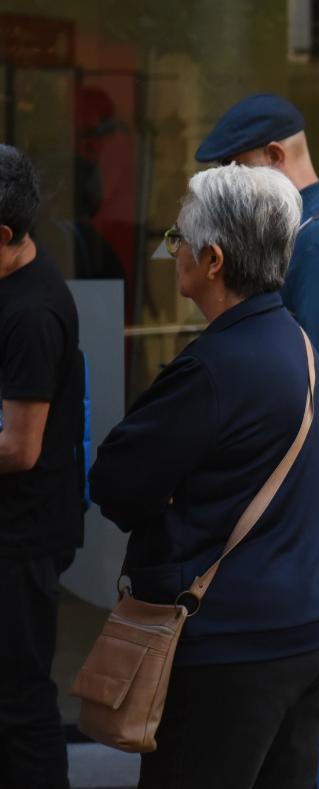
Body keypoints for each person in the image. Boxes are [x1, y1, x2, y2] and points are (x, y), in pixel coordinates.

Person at [89, 165, 319, 788]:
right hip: (311, 625)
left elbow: (115, 485)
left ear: (212, 259)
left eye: (177, 238)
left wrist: (175, 491)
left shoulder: (212, 368)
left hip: (236, 644)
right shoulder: (297, 342)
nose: (170, 249)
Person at [195, 93, 319, 789]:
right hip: (318, 471)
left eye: (242, 169)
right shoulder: (307, 227)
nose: (236, 187)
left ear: (276, 157)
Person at [0, 144, 84, 789]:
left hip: (20, 543)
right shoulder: (14, 281)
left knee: (20, 708)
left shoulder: (31, 313)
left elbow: (18, 447)